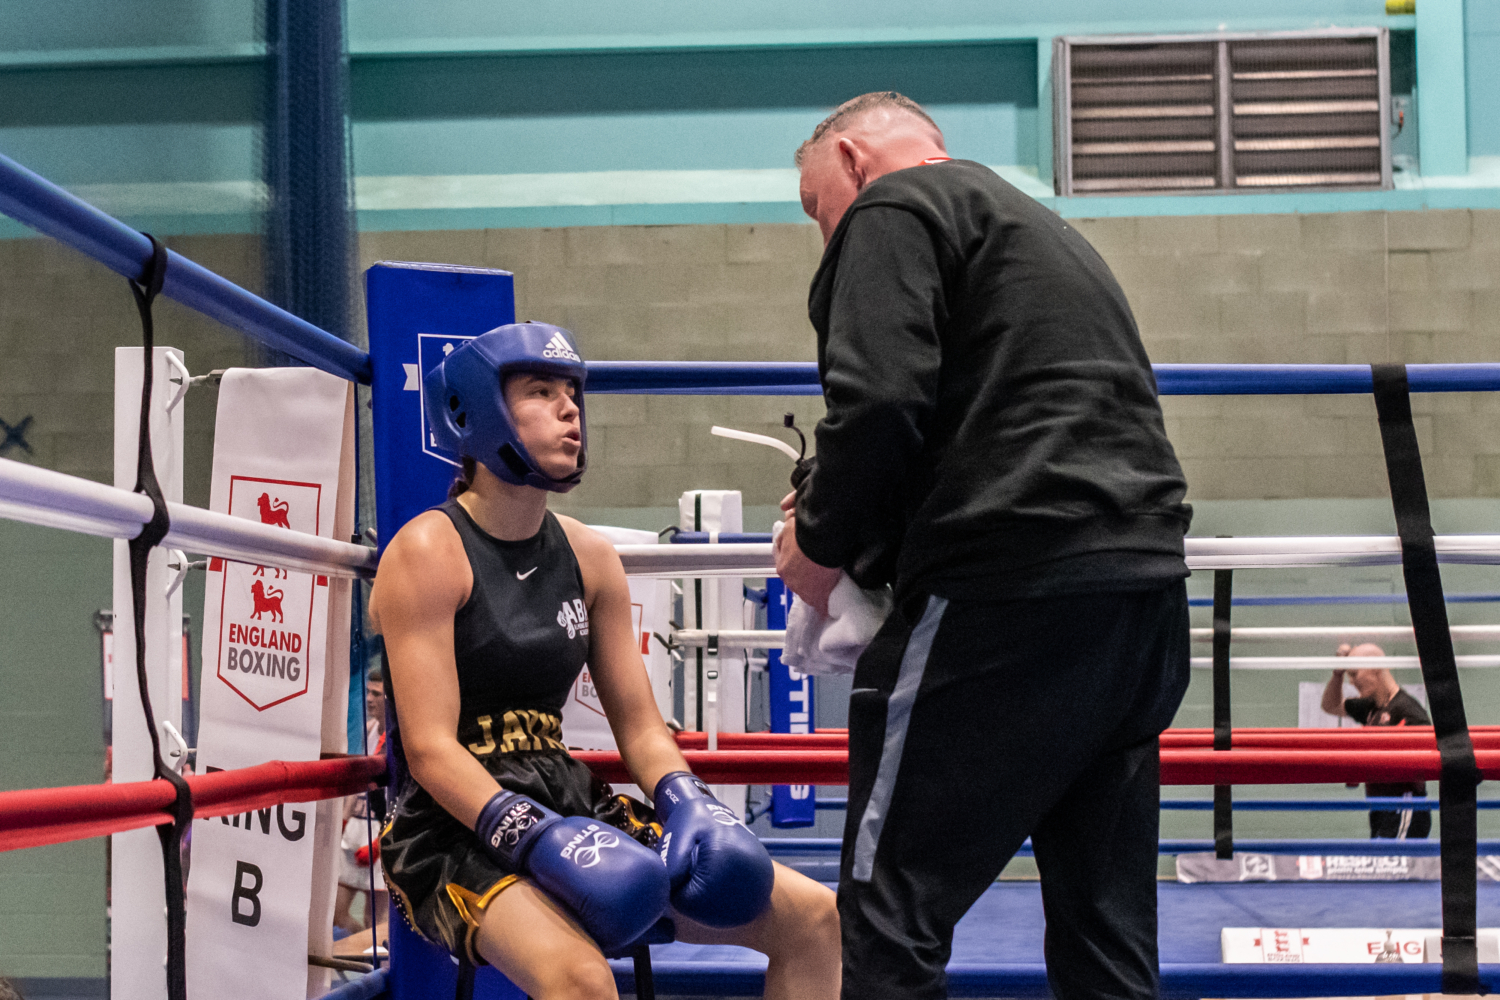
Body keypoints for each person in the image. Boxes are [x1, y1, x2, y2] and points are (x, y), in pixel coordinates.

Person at [774, 92, 1193, 1000]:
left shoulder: (892, 207)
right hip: (1142, 595)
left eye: (818, 210)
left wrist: (818, 539)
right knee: (1104, 931)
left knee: (884, 916)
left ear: (850, 160)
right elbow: (987, 417)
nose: (826, 237)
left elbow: (882, 401)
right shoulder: (1041, 230)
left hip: (1010, 592)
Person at [371, 323, 839, 1000]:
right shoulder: (428, 551)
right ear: (476, 409)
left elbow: (642, 727)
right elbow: (430, 750)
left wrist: (688, 801)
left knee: (814, 918)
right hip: (454, 828)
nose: (570, 410)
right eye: (540, 391)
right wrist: (535, 838)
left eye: (572, 393)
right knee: (581, 982)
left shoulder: (589, 558)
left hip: (564, 795)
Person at [1320, 643, 1431, 839]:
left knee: (1397, 866)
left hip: (1404, 806)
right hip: (1380, 808)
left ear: (1375, 669)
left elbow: (1427, 759)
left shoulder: (1407, 710)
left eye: (1354, 674)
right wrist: (1337, 673)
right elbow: (1331, 705)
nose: (1352, 681)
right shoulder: (1372, 707)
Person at [336, 668, 390, 935]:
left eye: (376, 694)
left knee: (376, 922)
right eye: (367, 692)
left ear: (388, 698)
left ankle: (379, 971)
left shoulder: (397, 738)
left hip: (383, 830)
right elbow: (353, 782)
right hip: (355, 827)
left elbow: (401, 800)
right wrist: (342, 822)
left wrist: (381, 843)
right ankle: (369, 965)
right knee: (337, 913)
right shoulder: (366, 731)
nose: (369, 699)